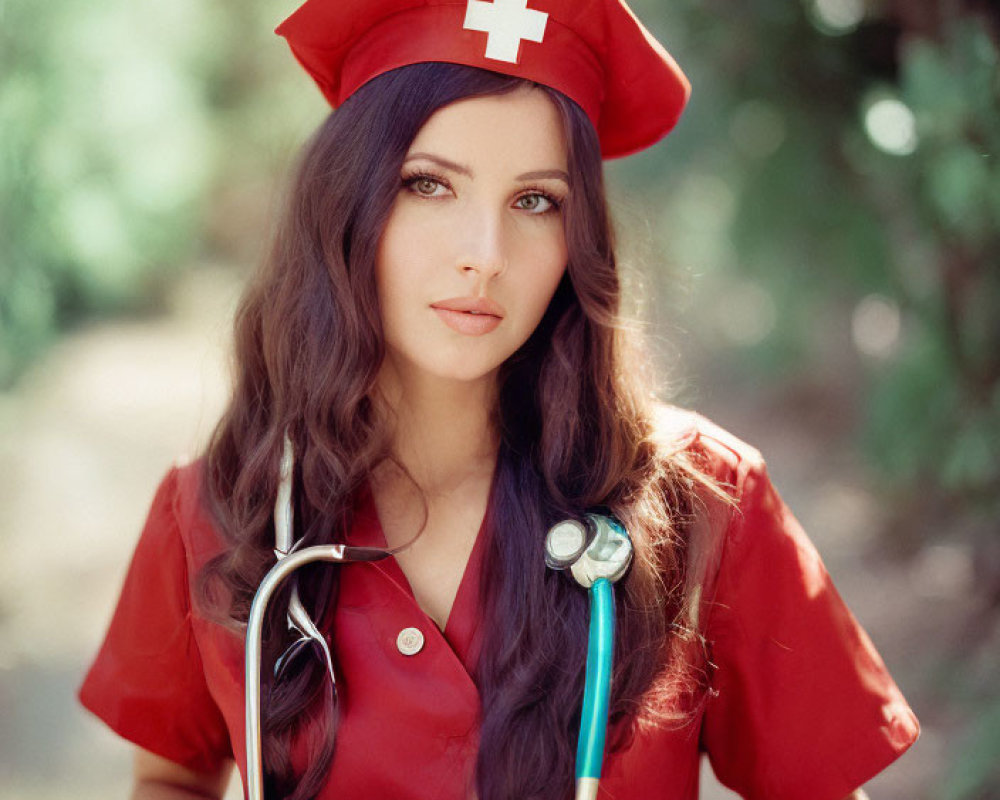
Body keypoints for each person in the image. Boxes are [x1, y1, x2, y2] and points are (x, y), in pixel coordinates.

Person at [77, 1, 920, 798]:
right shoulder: (214, 510)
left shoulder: (706, 500)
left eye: (535, 201)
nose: (484, 254)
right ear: (345, 204)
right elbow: (173, 775)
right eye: (429, 184)